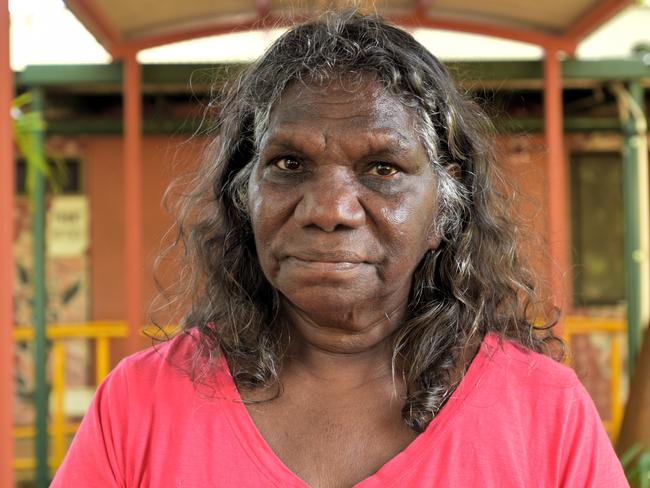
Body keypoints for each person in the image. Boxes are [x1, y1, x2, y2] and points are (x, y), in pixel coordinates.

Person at [52, 10, 626, 488]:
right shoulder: (138, 407)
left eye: (382, 168)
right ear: (242, 194)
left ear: (445, 210)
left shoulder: (543, 414)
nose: (329, 210)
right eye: (288, 164)